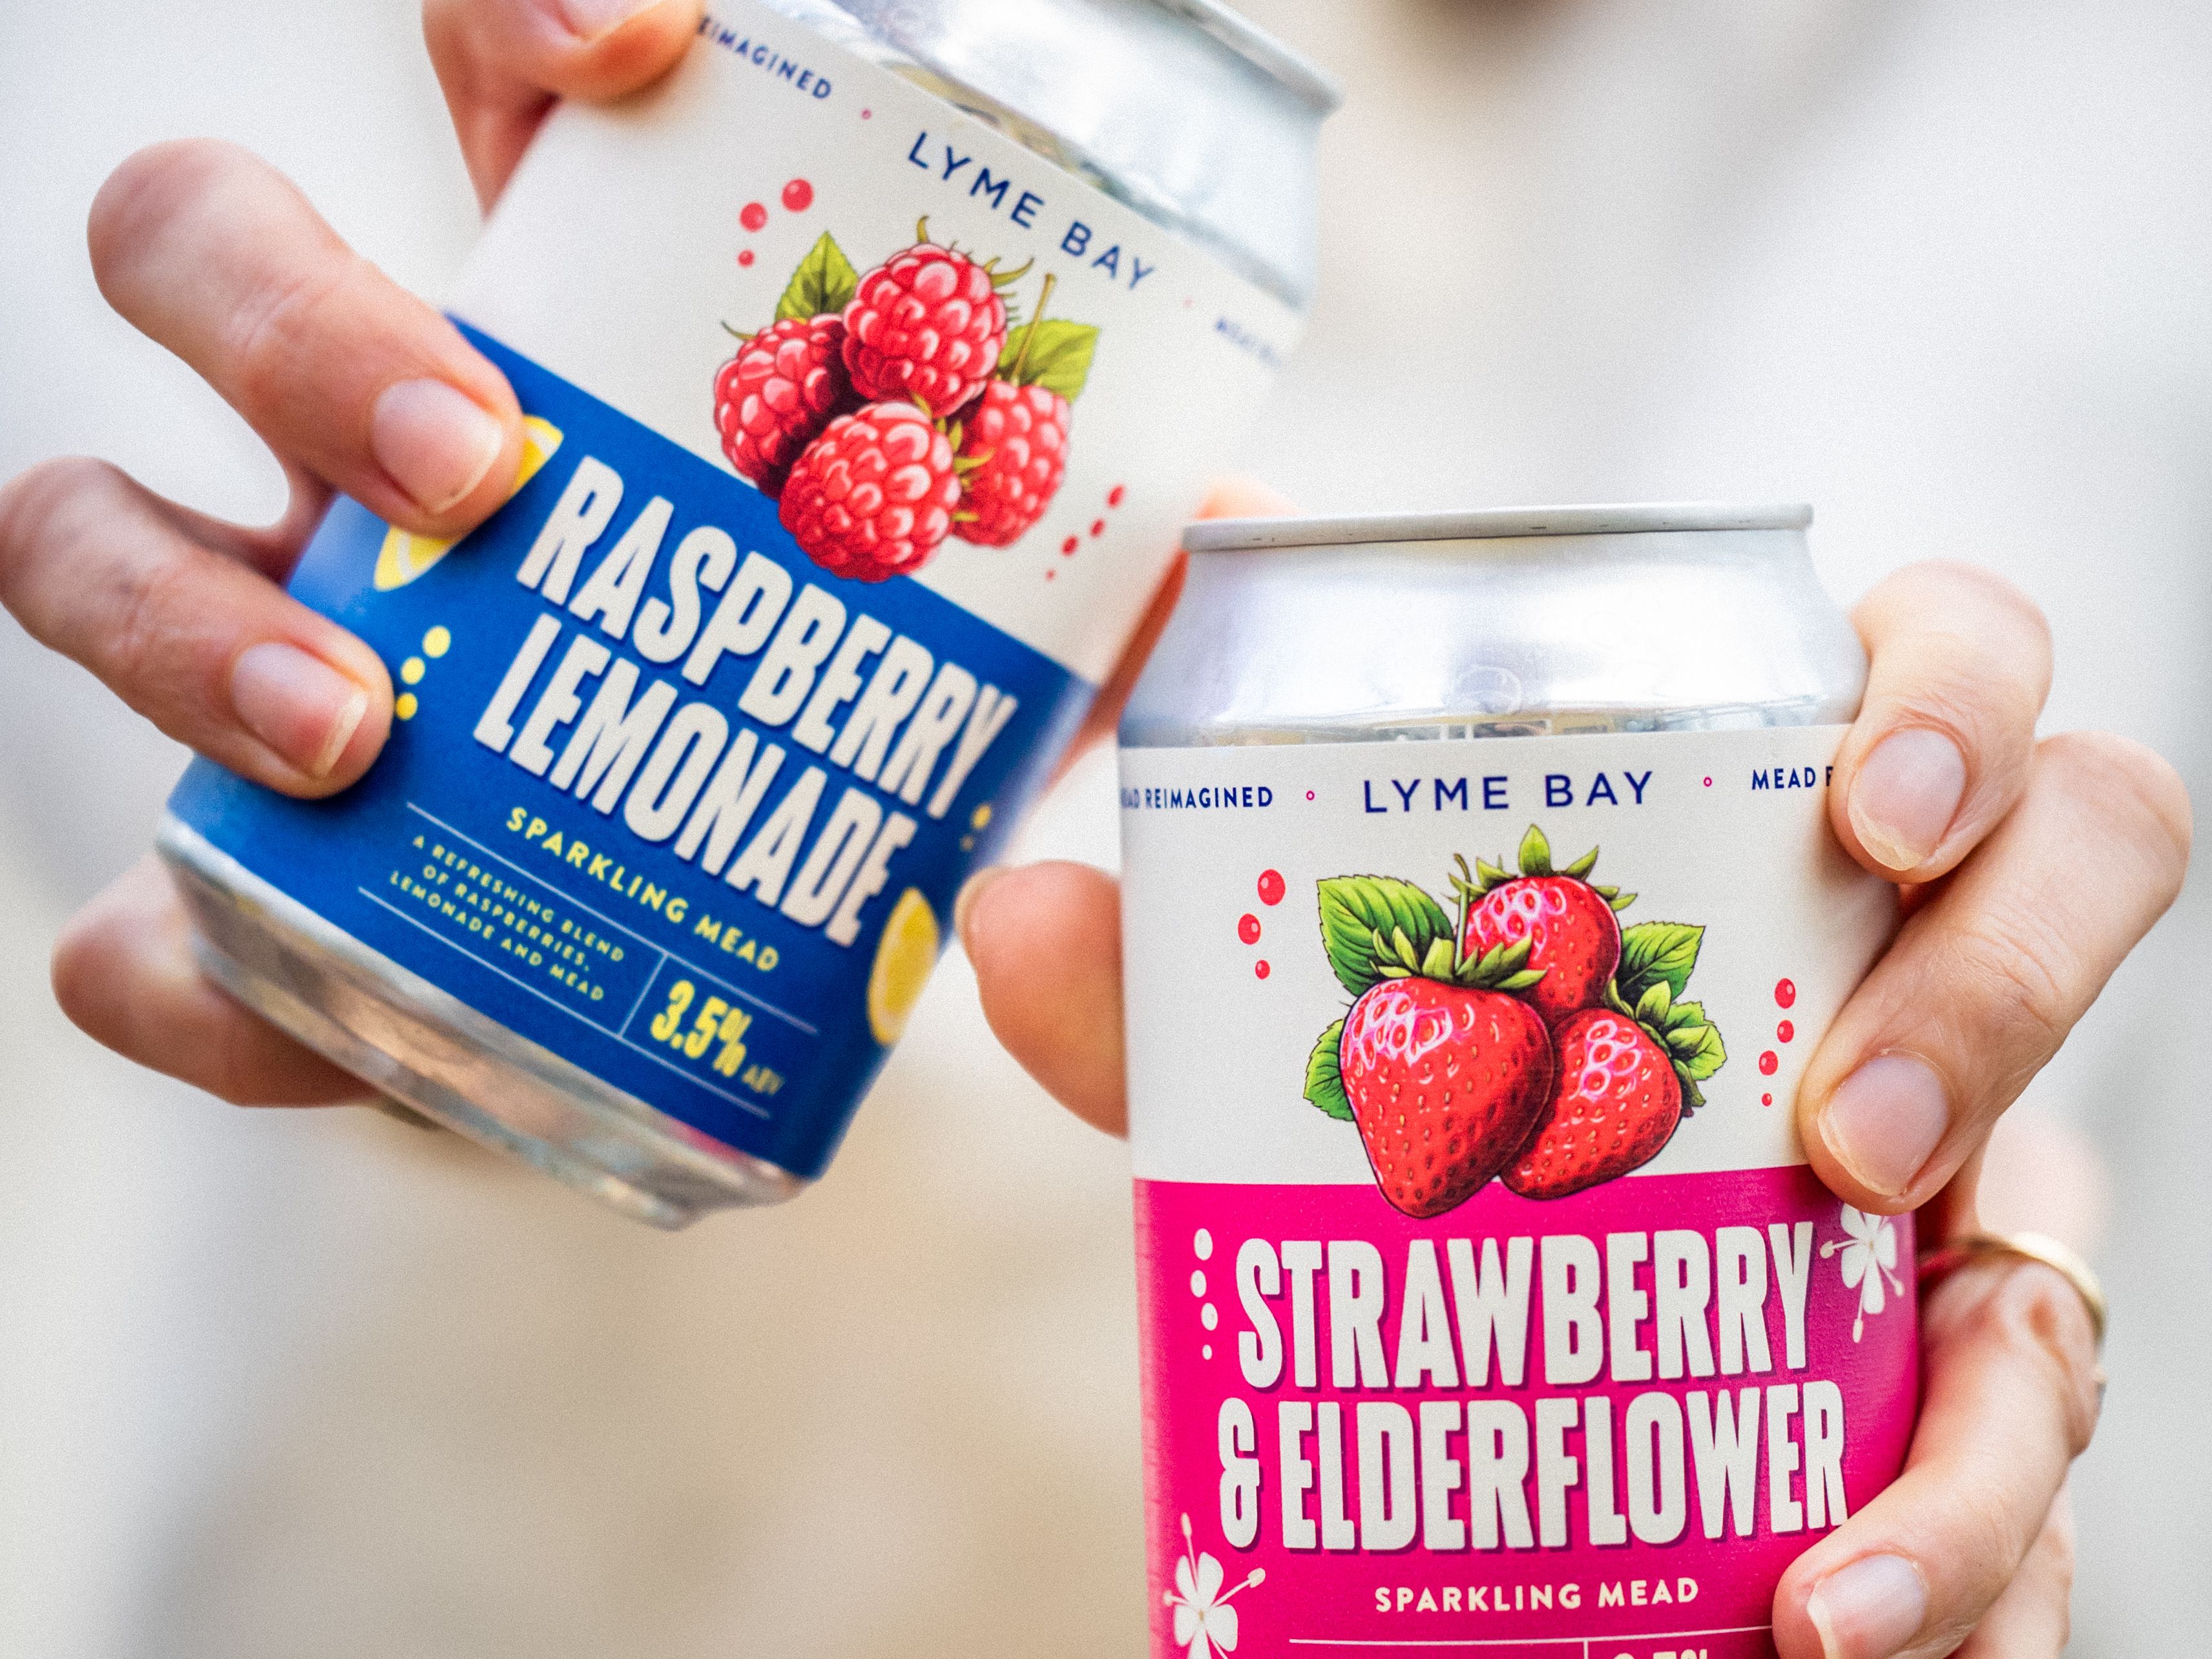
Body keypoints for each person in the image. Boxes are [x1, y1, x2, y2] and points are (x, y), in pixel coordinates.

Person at [0, 3, 2187, 1656]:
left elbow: (2010, 404)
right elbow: (108, 159)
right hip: (467, 1522)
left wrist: (1924, 1083)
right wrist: (281, 665)